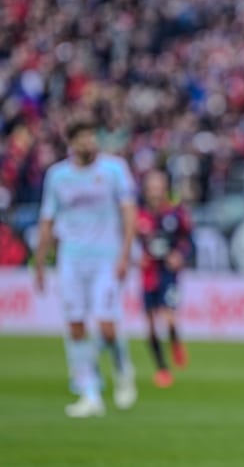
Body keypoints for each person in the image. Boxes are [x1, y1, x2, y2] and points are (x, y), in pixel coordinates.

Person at [34, 120, 138, 418]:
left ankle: (122, 368)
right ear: (71, 143)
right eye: (82, 138)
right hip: (71, 258)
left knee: (106, 326)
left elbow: (129, 215)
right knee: (76, 325)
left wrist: (125, 255)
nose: (89, 142)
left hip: (107, 257)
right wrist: (39, 262)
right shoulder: (57, 176)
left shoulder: (114, 169)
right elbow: (47, 219)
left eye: (92, 136)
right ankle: (90, 393)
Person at [136, 168, 193, 388]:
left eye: (159, 186)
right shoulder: (139, 214)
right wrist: (135, 258)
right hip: (148, 273)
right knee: (150, 325)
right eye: (151, 186)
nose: (155, 191)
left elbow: (190, 242)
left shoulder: (175, 214)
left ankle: (175, 341)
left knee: (168, 318)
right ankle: (162, 368)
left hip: (168, 273)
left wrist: (179, 255)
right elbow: (131, 241)